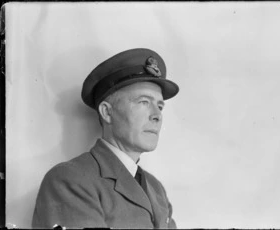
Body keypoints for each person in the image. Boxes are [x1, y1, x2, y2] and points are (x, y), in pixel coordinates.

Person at [32, 48, 179, 229]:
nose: (157, 116)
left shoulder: (156, 189)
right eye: (144, 102)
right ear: (107, 112)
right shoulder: (70, 180)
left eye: (160, 106)